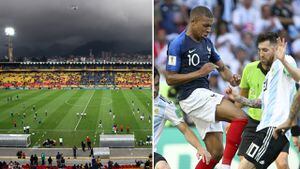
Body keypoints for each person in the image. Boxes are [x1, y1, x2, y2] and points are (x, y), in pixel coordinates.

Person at [165, 6, 248, 169]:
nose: (209, 29)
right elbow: (170, 78)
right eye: (205, 25)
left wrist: (233, 79)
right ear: (193, 21)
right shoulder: (178, 44)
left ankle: (221, 162)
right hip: (191, 96)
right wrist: (199, 73)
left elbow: (223, 69)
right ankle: (227, 166)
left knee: (215, 153)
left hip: (202, 96)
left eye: (210, 26)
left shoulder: (208, 43)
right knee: (241, 117)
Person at [226, 35, 297, 169]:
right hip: (264, 128)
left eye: (265, 50)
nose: (261, 54)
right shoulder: (269, 76)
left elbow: (298, 76)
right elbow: (259, 103)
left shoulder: (286, 61)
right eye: (259, 50)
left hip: (274, 127)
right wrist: (238, 98)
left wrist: (284, 61)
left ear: (276, 49)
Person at [154, 67, 211, 169]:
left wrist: (200, 148)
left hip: (150, 154)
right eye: (150, 86)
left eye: (156, 84)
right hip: (126, 150)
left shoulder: (167, 105)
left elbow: (185, 130)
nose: (154, 89)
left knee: (163, 167)